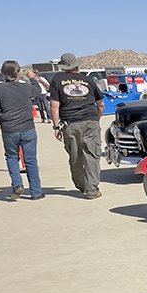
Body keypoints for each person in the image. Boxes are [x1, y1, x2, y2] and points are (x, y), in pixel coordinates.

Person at [49, 52, 105, 199]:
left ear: (62, 67)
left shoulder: (56, 80)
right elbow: (101, 104)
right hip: (90, 121)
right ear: (77, 65)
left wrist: (56, 127)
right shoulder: (88, 80)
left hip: (70, 123)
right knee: (92, 154)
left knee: (75, 156)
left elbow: (54, 106)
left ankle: (82, 185)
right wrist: (96, 119)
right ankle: (92, 189)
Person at [0, 60, 44, 200]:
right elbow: (37, 91)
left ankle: (17, 184)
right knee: (30, 159)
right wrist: (32, 78)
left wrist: (2, 121)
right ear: (18, 72)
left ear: (3, 73)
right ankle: (36, 192)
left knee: (12, 157)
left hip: (9, 129)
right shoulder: (25, 87)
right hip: (27, 127)